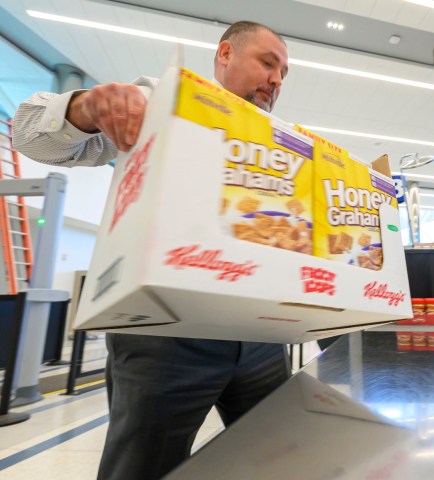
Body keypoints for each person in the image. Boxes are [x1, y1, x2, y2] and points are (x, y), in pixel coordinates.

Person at [14, 21, 291, 480]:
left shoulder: (280, 141)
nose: (277, 79)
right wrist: (85, 107)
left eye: (284, 72)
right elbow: (27, 131)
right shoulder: (157, 102)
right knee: (142, 467)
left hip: (258, 334)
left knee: (282, 457)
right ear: (225, 54)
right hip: (165, 336)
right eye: (268, 63)